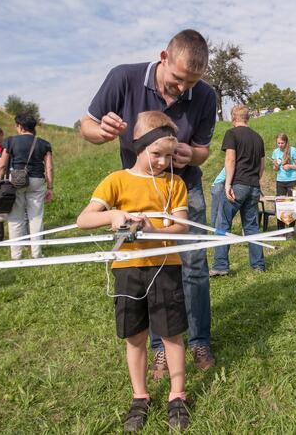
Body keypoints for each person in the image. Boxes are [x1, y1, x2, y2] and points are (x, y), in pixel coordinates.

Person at [79, 29, 217, 375]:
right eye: (178, 79)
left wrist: (192, 155)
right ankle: (159, 346)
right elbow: (87, 125)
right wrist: (102, 131)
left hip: (184, 190)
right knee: (148, 268)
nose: (183, 89)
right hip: (139, 194)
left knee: (194, 268)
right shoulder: (123, 77)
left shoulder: (205, 95)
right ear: (164, 57)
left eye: (191, 83)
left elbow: (203, 150)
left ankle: (199, 340)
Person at [77, 111, 190, 431]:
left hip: (165, 266)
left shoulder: (175, 183)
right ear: (139, 147)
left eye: (169, 156)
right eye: (156, 154)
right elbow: (84, 219)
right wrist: (113, 215)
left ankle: (177, 396)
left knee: (171, 333)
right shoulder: (117, 180)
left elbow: (180, 226)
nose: (162, 162)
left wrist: (154, 225)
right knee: (135, 336)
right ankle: (140, 396)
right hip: (128, 269)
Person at [210, 105, 265, 275]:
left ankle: (220, 266)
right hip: (254, 186)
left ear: (234, 117)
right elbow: (262, 165)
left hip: (237, 186)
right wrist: (255, 181)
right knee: (252, 227)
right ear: (247, 117)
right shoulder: (258, 137)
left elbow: (230, 159)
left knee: (222, 224)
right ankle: (258, 266)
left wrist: (227, 184)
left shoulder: (231, 134)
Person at [0, 113, 53, 260]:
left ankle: (16, 255)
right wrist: (50, 187)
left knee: (16, 217)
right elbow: (49, 168)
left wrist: (0, 180)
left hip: (16, 180)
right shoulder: (44, 143)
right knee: (36, 217)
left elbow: (2, 164)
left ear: (20, 127)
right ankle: (37, 253)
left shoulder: (10, 141)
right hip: (37, 180)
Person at [271, 133, 296, 229]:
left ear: (286, 142)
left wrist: (290, 166)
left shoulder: (293, 150)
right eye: (278, 143)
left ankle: (291, 228)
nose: (280, 145)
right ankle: (280, 229)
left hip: (292, 180)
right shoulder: (275, 152)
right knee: (280, 204)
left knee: (292, 203)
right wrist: (275, 165)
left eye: (282, 143)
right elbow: (275, 169)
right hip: (280, 181)